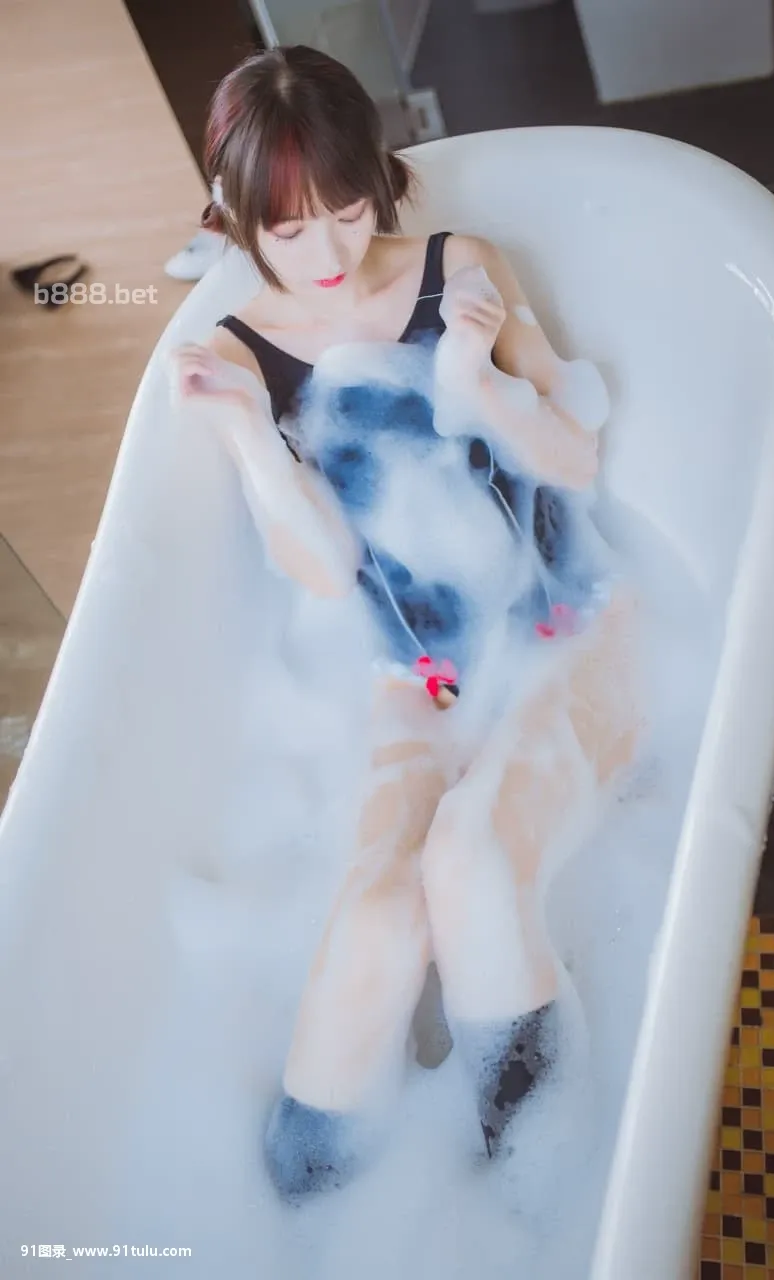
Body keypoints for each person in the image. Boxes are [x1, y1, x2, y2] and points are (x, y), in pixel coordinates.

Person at [171, 44, 639, 1205]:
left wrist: (479, 383)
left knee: (471, 861)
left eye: (347, 211)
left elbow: (576, 458)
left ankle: (541, 1194)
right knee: (380, 917)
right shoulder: (238, 352)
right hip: (413, 672)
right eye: (288, 231)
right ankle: (299, 1216)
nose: (328, 254)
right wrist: (249, 439)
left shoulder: (458, 267)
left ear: (380, 179)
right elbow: (323, 571)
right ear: (238, 220)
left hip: (566, 623)